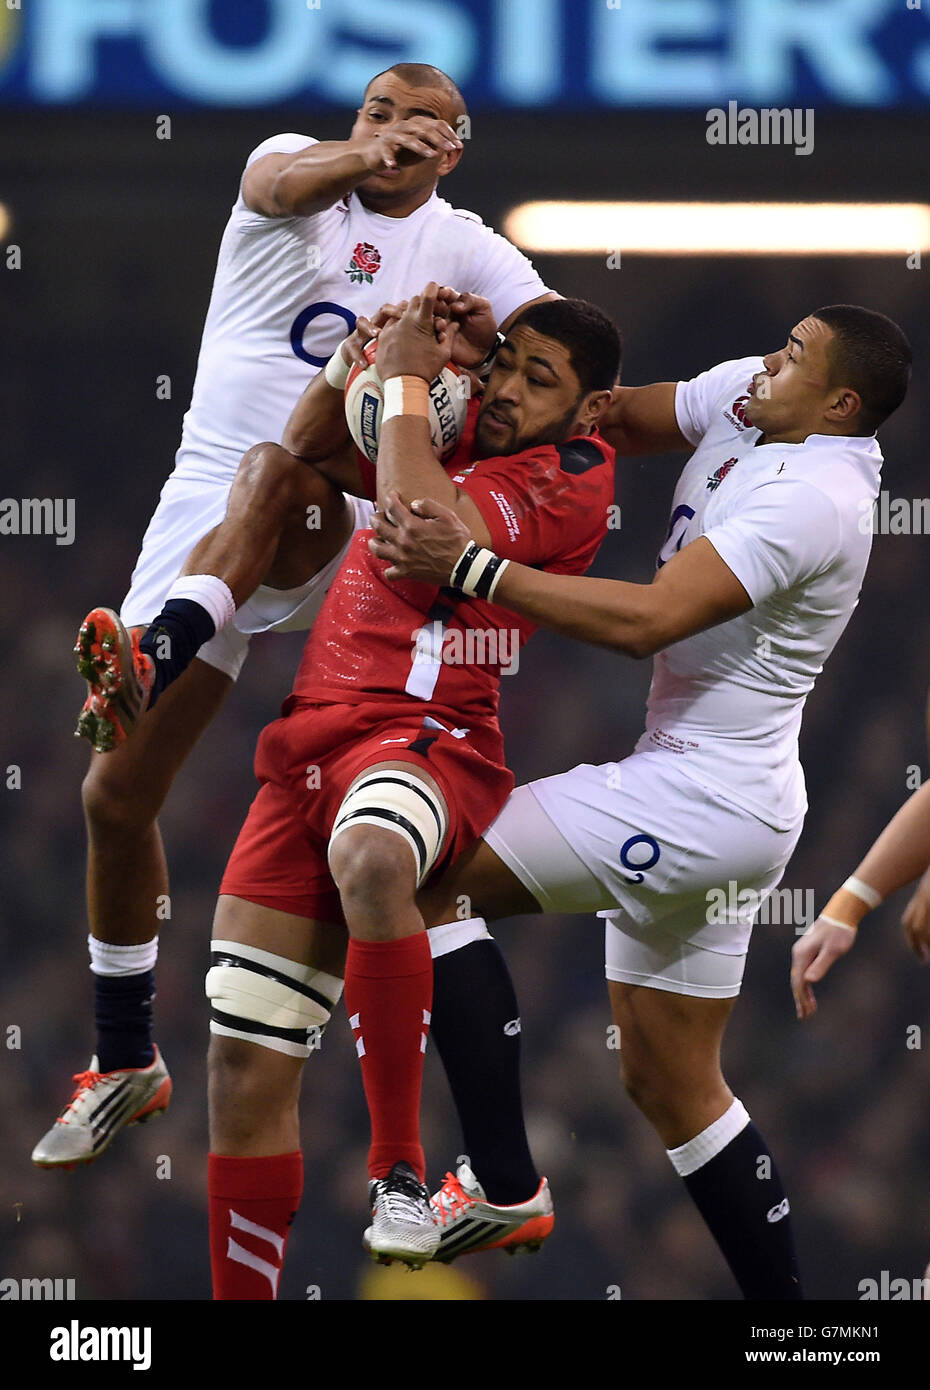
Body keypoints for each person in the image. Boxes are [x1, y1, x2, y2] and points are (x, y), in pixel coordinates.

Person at [33, 63, 555, 1169]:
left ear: (455, 148)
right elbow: (279, 180)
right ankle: (126, 1056)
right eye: (375, 114)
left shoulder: (468, 246)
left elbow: (565, 350)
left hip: (346, 509)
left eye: (418, 124)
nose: (390, 133)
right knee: (115, 796)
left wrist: (486, 354)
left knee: (276, 474)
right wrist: (361, 157)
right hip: (204, 505)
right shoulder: (289, 174)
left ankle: (153, 648)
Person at [370, 304, 912, 1293]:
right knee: (672, 1081)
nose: (768, 361)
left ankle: (500, 1179)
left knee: (416, 872)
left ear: (837, 403)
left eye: (795, 358)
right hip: (735, 796)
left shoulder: (816, 498)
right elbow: (609, 416)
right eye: (780, 341)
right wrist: (488, 384)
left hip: (696, 798)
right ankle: (799, 1331)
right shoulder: (762, 400)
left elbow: (650, 621)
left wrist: (473, 565)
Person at [197, 289, 619, 1287]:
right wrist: (375, 351)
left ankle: (400, 1171)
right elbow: (304, 448)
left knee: (376, 853)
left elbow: (419, 524)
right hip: (304, 744)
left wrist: (408, 380)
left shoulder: (572, 473)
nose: (509, 389)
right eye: (507, 361)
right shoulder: (450, 414)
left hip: (426, 735)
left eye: (539, 379)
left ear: (590, 411)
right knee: (240, 1068)